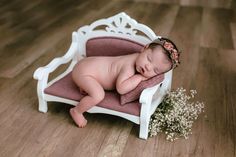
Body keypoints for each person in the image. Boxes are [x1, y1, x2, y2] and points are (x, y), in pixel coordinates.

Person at [70, 37, 180, 127]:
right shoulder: (129, 66)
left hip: (88, 66)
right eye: (149, 59)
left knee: (95, 86)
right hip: (84, 71)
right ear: (144, 48)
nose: (148, 67)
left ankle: (84, 86)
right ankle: (77, 111)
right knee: (98, 95)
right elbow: (121, 89)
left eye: (155, 70)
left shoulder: (138, 59)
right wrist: (139, 78)